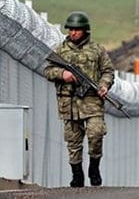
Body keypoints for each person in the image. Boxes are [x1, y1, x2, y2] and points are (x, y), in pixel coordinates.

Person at [44, 11, 115, 187]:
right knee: (73, 141)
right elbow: (47, 70)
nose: (73, 33)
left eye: (77, 29)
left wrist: (104, 84)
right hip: (69, 103)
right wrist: (63, 74)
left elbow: (108, 71)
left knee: (96, 134)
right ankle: (77, 175)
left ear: (85, 30)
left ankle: (94, 167)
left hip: (92, 101)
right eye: (71, 29)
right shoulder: (60, 50)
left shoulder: (97, 49)